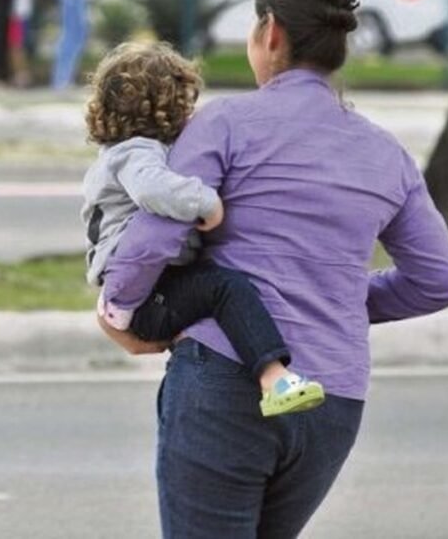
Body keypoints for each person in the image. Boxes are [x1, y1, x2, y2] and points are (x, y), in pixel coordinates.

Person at [99, 0, 448, 537]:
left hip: (224, 383)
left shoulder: (225, 124)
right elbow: (439, 282)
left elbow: (156, 234)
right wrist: (340, 298)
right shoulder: (385, 154)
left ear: (270, 32)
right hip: (334, 401)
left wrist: (121, 312)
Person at [83, 41, 325, 416]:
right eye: (185, 103)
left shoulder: (121, 152)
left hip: (148, 290)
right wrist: (205, 204)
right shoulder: (137, 152)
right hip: (146, 297)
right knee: (226, 288)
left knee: (219, 287)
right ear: (165, 107)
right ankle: (275, 378)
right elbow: (153, 189)